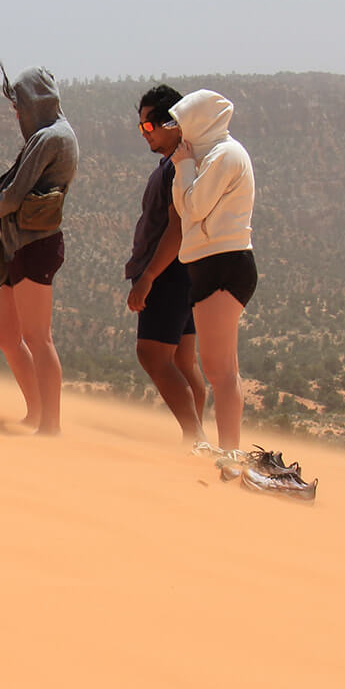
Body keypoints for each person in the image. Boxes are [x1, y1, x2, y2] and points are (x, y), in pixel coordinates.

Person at [0, 66, 79, 435]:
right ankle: (36, 413)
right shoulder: (50, 135)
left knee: (38, 337)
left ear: (34, 101)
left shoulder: (50, 137)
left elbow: (15, 196)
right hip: (21, 244)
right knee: (6, 334)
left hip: (34, 246)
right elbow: (15, 191)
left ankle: (50, 426)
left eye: (19, 105)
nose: (17, 113)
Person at [168, 89, 257, 453]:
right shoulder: (210, 156)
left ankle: (231, 453)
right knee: (222, 370)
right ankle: (229, 450)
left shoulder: (223, 155)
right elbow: (184, 203)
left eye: (183, 123)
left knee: (221, 372)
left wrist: (184, 167)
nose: (180, 131)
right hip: (212, 265)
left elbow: (195, 208)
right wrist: (184, 167)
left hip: (224, 265)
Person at [125, 84, 208, 442]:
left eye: (147, 126)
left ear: (171, 123)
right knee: (183, 362)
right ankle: (198, 438)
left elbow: (175, 228)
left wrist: (147, 277)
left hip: (169, 275)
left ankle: (195, 438)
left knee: (153, 356)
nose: (144, 134)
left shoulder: (178, 168)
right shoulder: (180, 163)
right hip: (187, 273)